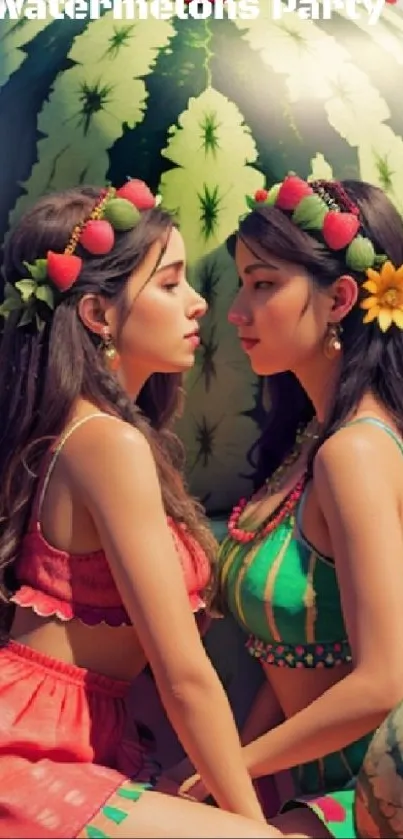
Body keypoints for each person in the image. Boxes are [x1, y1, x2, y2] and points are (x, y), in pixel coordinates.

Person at [0, 181, 287, 839]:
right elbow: (183, 674)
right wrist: (254, 828)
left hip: (87, 742)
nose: (198, 304)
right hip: (31, 751)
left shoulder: (110, 435)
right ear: (99, 314)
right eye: (169, 283)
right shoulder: (108, 443)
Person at [181, 175, 403, 838]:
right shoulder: (309, 440)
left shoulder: (353, 453)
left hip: (366, 801)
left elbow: (381, 680)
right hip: (307, 791)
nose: (235, 311)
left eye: (262, 283)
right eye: (240, 283)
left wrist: (229, 768)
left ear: (339, 297)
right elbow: (295, 664)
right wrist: (235, 779)